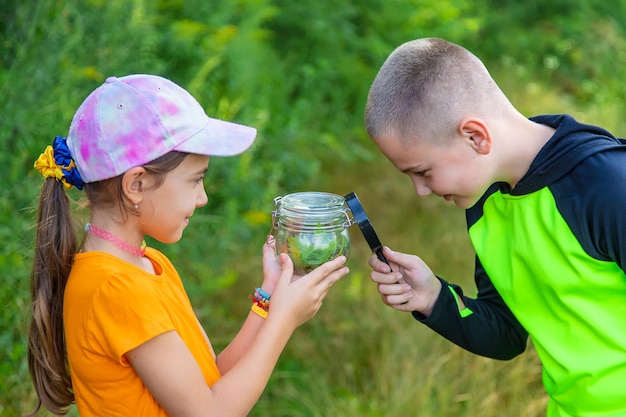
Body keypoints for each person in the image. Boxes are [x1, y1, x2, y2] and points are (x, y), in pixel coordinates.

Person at [28, 74, 349, 417]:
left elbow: (210, 382)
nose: (203, 198)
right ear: (136, 184)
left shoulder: (149, 264)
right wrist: (283, 322)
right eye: (196, 180)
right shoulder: (115, 288)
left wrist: (269, 298)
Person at [363, 38, 626, 416]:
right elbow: (506, 334)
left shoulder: (607, 188)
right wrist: (434, 298)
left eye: (422, 172)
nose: (420, 192)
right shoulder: (489, 203)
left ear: (476, 136)